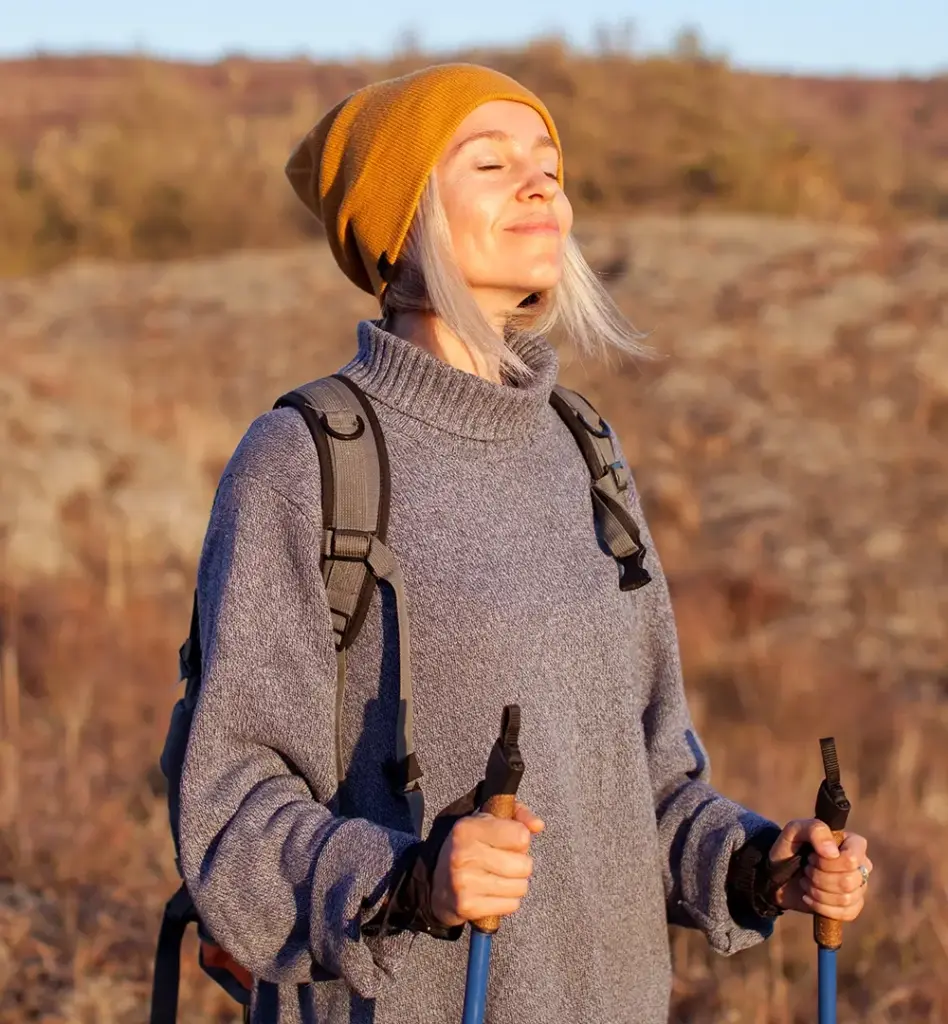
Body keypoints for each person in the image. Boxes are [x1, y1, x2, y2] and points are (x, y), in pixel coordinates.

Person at [177, 63, 872, 1024]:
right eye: (493, 162)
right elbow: (234, 818)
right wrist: (415, 879)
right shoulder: (302, 461)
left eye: (549, 163)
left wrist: (759, 865)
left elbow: (647, 786)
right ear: (401, 221)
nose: (542, 184)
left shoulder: (583, 449)